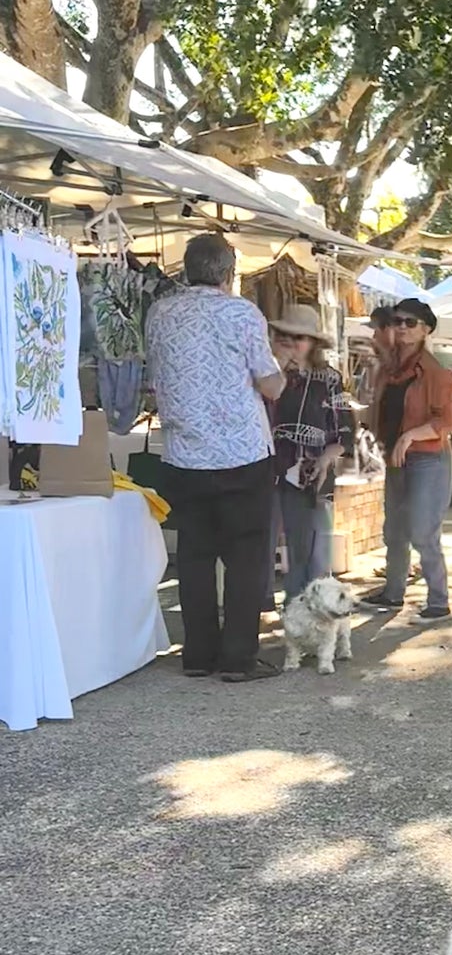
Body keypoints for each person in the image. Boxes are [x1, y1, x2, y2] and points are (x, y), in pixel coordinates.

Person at [145, 232, 286, 680]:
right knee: (247, 556)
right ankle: (239, 658)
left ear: (187, 270)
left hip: (184, 454)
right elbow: (270, 384)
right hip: (240, 452)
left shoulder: (160, 311)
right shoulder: (241, 313)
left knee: (195, 556)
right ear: (229, 272)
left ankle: (199, 655)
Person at [360, 297, 452, 619]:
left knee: (422, 530)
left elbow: (447, 421)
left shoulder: (435, 372)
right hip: (396, 458)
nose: (402, 327)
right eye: (398, 321)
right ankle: (393, 593)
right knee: (394, 530)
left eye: (410, 323)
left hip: (427, 458)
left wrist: (410, 435)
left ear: (425, 330)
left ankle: (438, 600)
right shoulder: (390, 370)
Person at [267, 304, 345, 601]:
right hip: (266, 469)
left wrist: (325, 459)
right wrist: (277, 366)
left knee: (310, 551)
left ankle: (312, 615)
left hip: (310, 471)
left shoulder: (329, 379)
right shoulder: (266, 374)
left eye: (298, 338)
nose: (291, 343)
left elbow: (343, 431)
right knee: (261, 546)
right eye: (284, 336)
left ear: (313, 343)